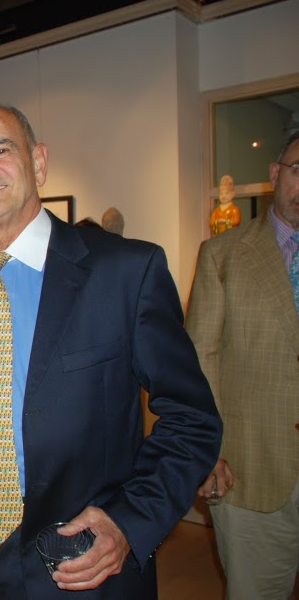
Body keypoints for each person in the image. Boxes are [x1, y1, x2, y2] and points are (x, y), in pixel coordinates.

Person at [0, 103, 222, 599]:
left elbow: (193, 418)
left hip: (79, 563)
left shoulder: (126, 272)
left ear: (38, 162)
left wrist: (129, 521)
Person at [185, 131, 299, 600]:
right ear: (276, 174)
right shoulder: (223, 255)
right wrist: (207, 452)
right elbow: (198, 363)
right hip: (254, 469)